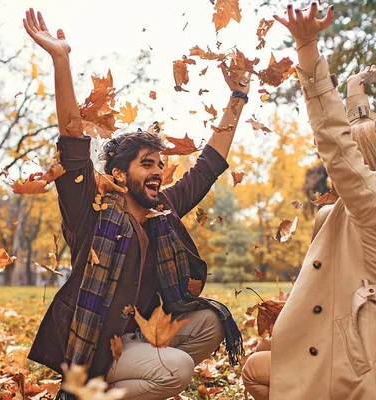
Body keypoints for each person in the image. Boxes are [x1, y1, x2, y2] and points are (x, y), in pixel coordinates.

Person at [21, 8, 248, 400]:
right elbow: (73, 140)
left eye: (160, 164)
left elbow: (209, 164)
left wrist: (238, 97)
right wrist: (61, 59)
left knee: (212, 322)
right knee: (177, 370)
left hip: (137, 338)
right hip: (94, 346)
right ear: (121, 175)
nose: (159, 170)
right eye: (147, 164)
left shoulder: (163, 209)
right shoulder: (91, 210)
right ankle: (96, 391)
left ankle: (140, 384)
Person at [241, 3, 376, 399]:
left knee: (256, 369)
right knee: (269, 354)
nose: (342, 172)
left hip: (364, 371)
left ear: (364, 163)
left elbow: (338, 144)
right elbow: (363, 138)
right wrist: (356, 95)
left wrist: (307, 49)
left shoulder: (374, 208)